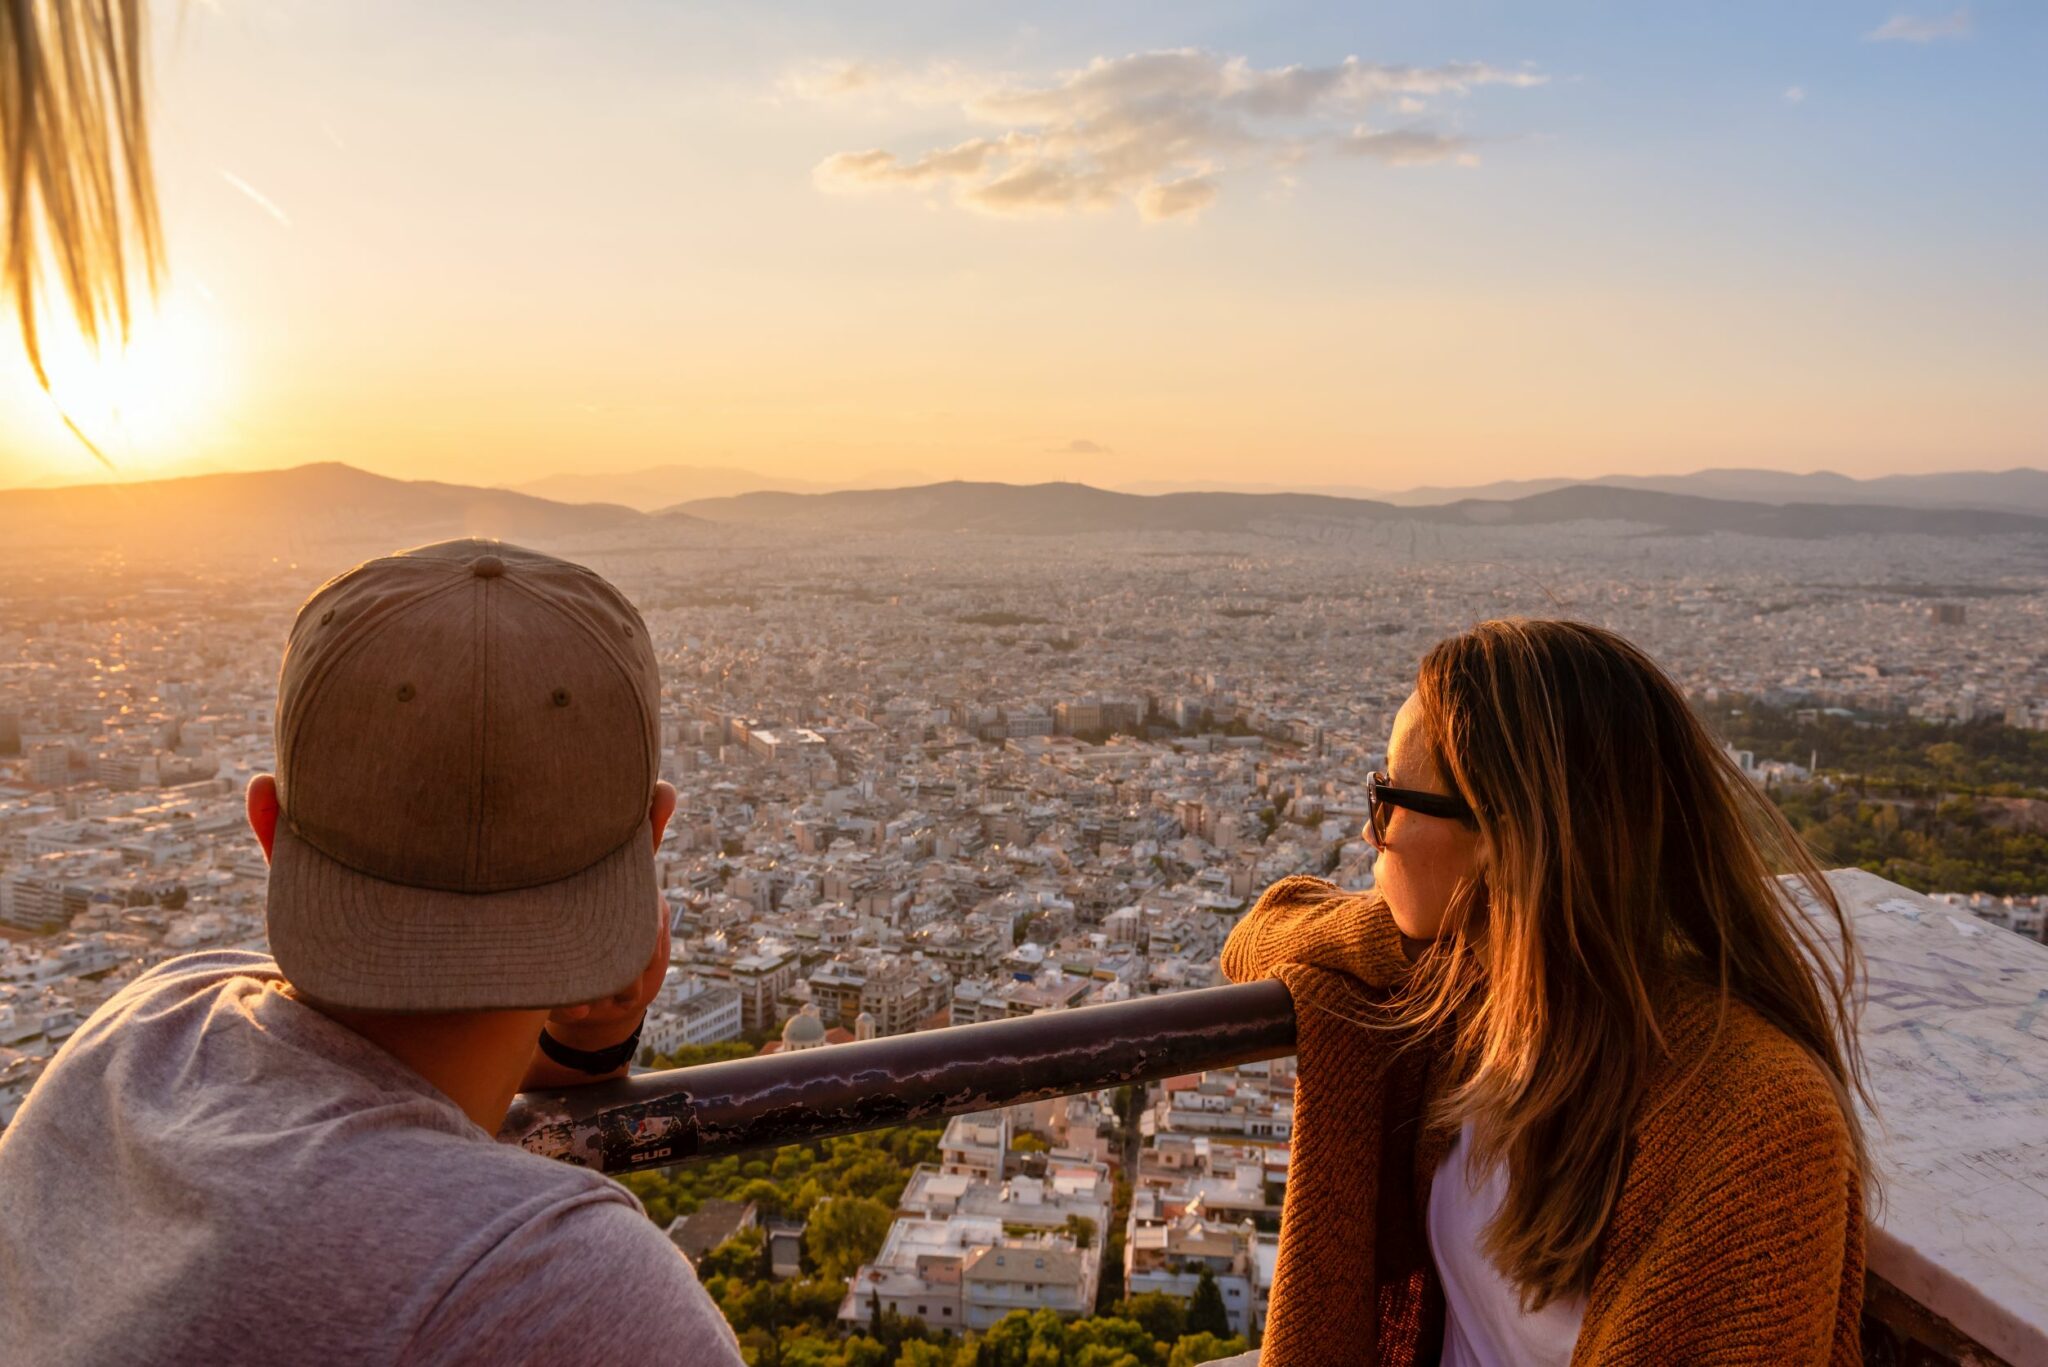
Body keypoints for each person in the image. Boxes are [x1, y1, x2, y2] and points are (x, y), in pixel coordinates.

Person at [0, 540, 744, 1365]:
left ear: (269, 830)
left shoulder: (144, 1030)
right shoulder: (568, 1293)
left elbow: (409, 1067)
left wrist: (591, 1037)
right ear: (652, 839)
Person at [1223, 618, 1871, 1365]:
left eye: (1389, 795)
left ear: (1501, 838)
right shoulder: (1482, 996)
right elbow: (1264, 932)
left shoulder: (1753, 1124)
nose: (1374, 835)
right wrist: (1429, 932)